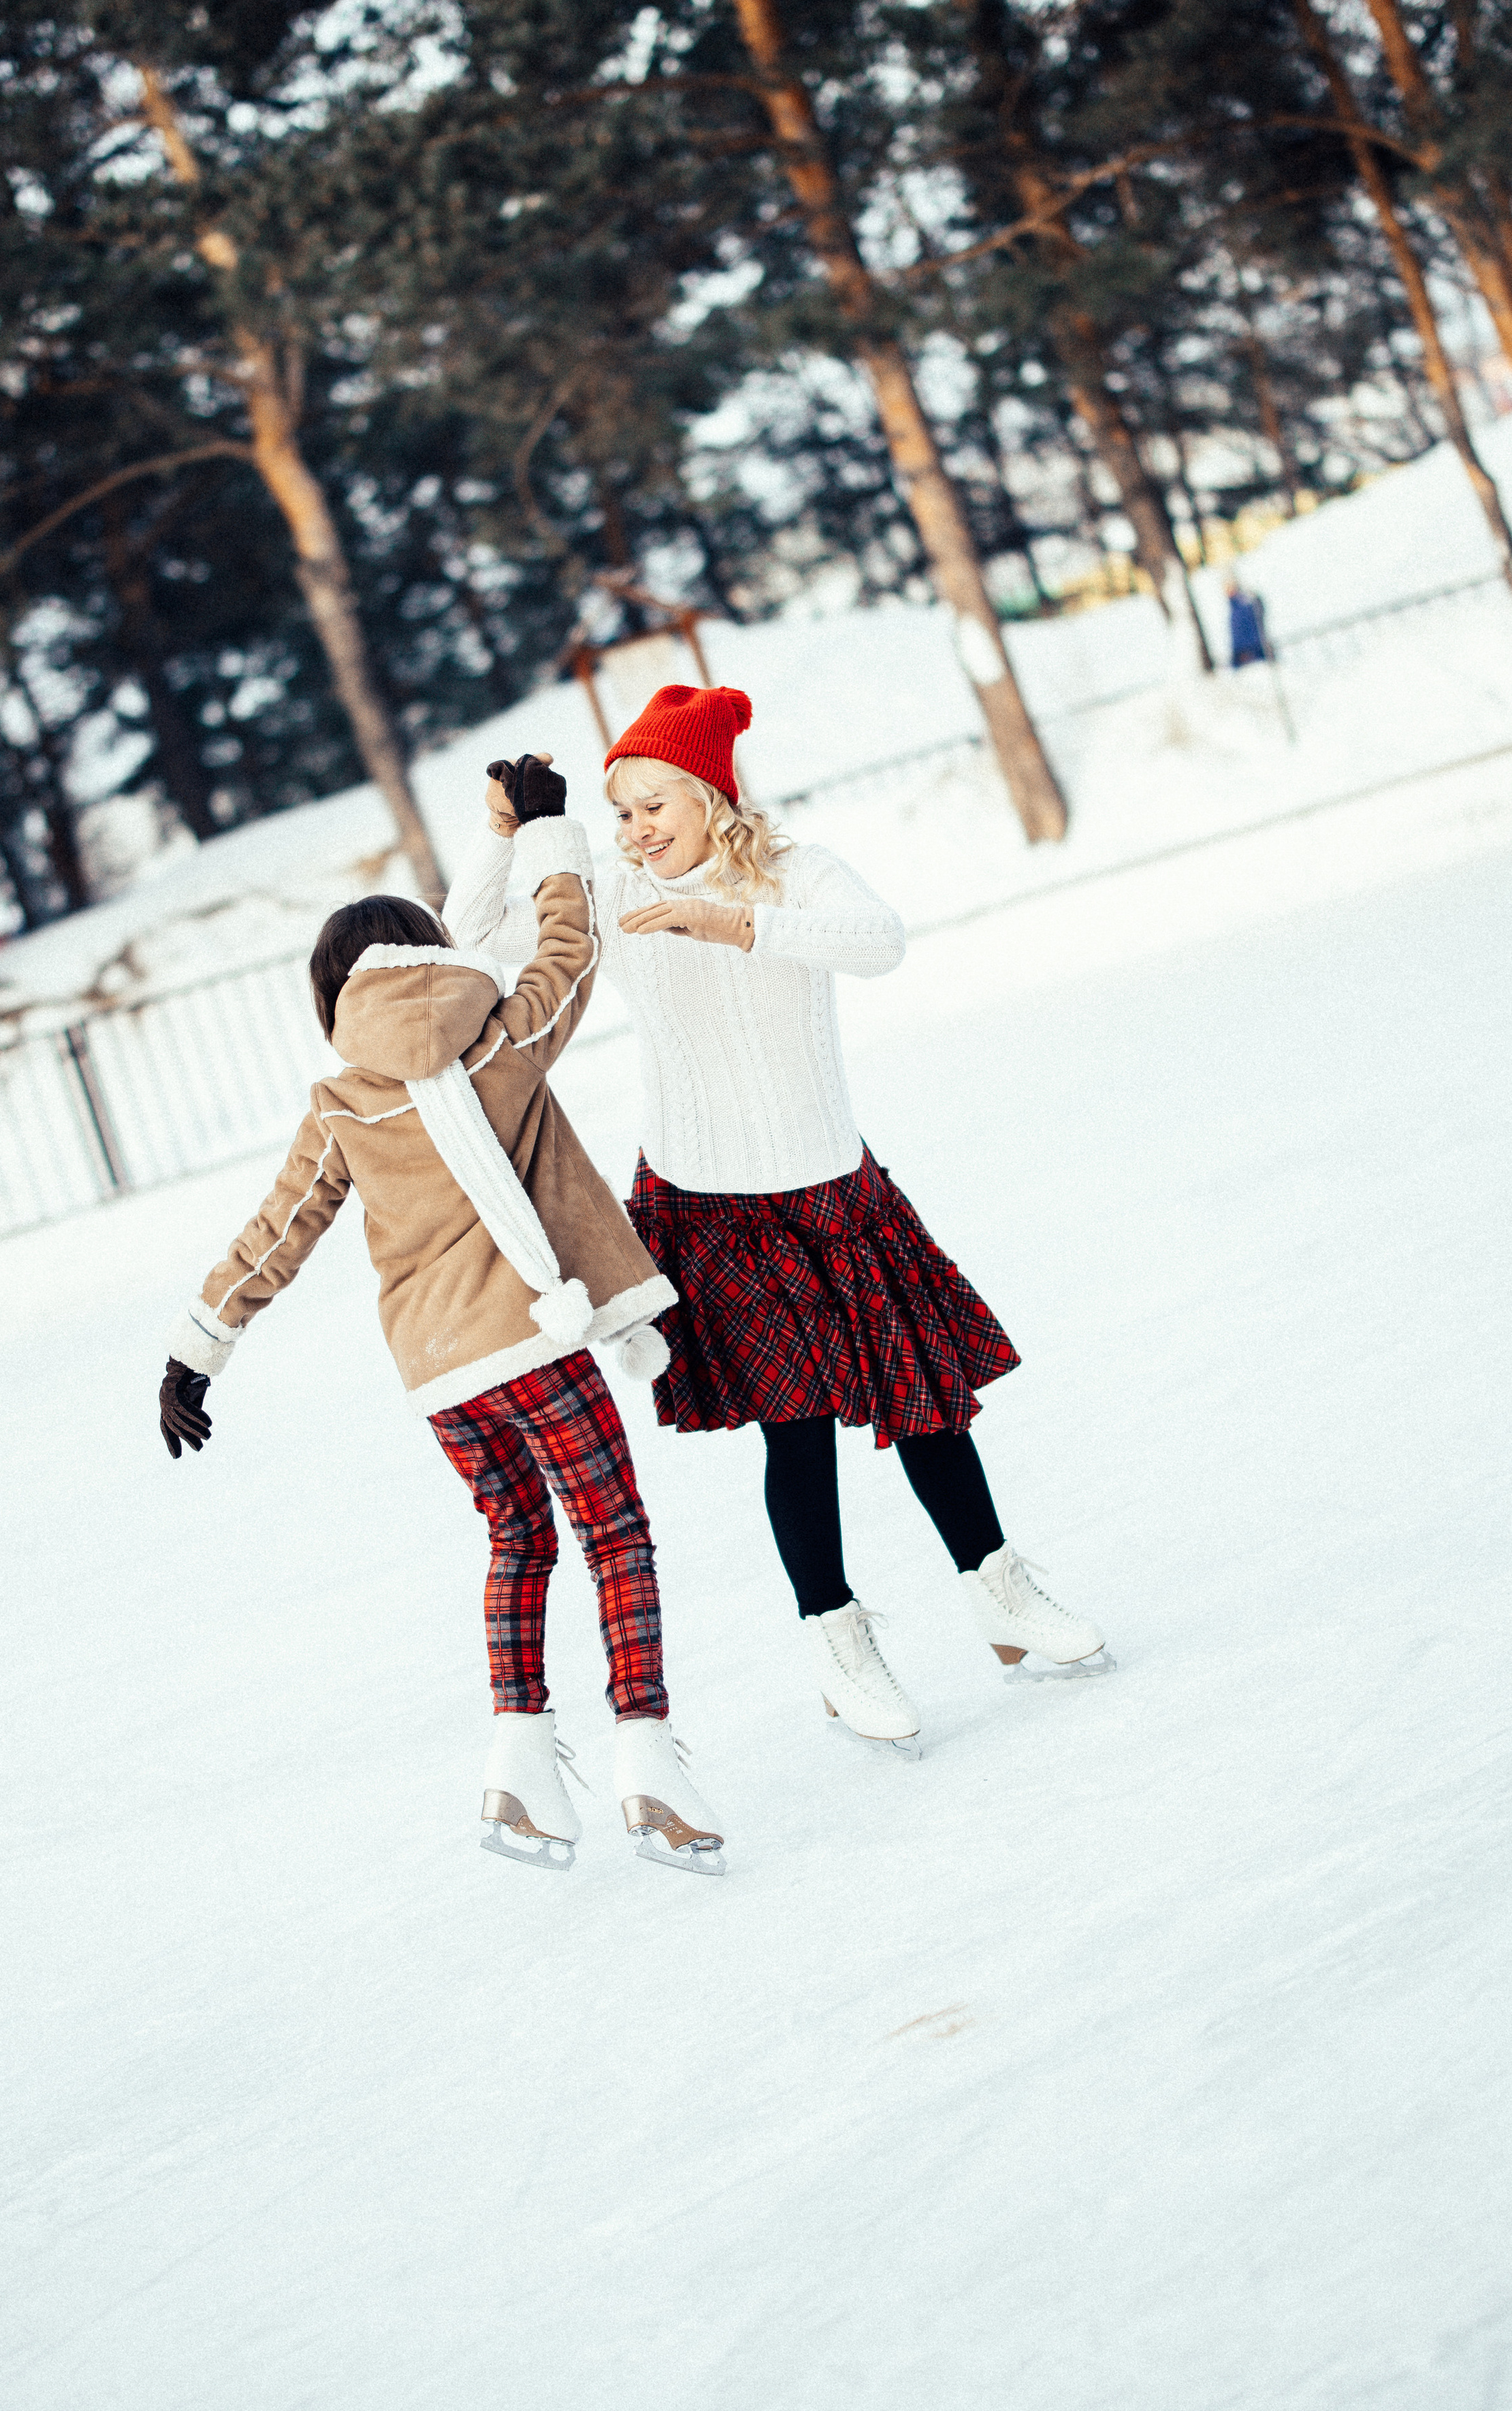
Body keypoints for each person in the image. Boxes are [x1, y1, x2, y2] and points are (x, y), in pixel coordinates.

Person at [445, 686, 1109, 1760]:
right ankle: (839, 1647)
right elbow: (468, 939)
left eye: (655, 801)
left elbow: (879, 942)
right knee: (796, 1433)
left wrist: (730, 920)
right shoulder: (609, 894)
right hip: (710, 1206)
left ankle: (1001, 1593)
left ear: (712, 794)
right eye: (620, 811)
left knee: (928, 1407)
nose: (637, 828)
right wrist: (502, 834)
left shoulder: (793, 873)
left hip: (834, 1190)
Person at [157, 769, 724, 1876]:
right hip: (537, 1345)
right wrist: (550, 827)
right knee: (613, 1536)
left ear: (336, 993)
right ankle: (646, 1755)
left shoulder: (343, 1099)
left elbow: (277, 1232)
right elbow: (570, 945)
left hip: (442, 1378)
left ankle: (518, 1757)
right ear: (435, 956)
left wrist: (196, 1348)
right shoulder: (501, 1038)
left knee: (517, 1537)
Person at [1227, 577, 1270, 668]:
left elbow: (1258, 616)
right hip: (1242, 655)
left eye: (1230, 588)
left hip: (1253, 652)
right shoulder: (1233, 607)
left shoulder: (1245, 605)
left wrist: (1249, 651)